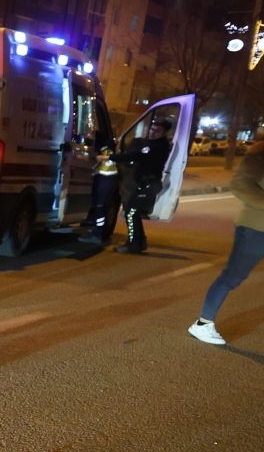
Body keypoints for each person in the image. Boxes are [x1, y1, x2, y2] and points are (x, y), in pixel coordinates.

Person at [188, 140, 264, 345]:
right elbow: (240, 184)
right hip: (256, 229)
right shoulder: (260, 154)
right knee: (232, 276)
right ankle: (203, 323)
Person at [106, 118, 173, 254]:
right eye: (152, 129)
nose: (153, 132)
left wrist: (110, 157)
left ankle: (134, 244)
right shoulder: (152, 144)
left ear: (164, 133)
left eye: (157, 131)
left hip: (148, 184)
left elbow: (136, 155)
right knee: (133, 213)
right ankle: (139, 242)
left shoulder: (158, 146)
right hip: (145, 184)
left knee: (130, 213)